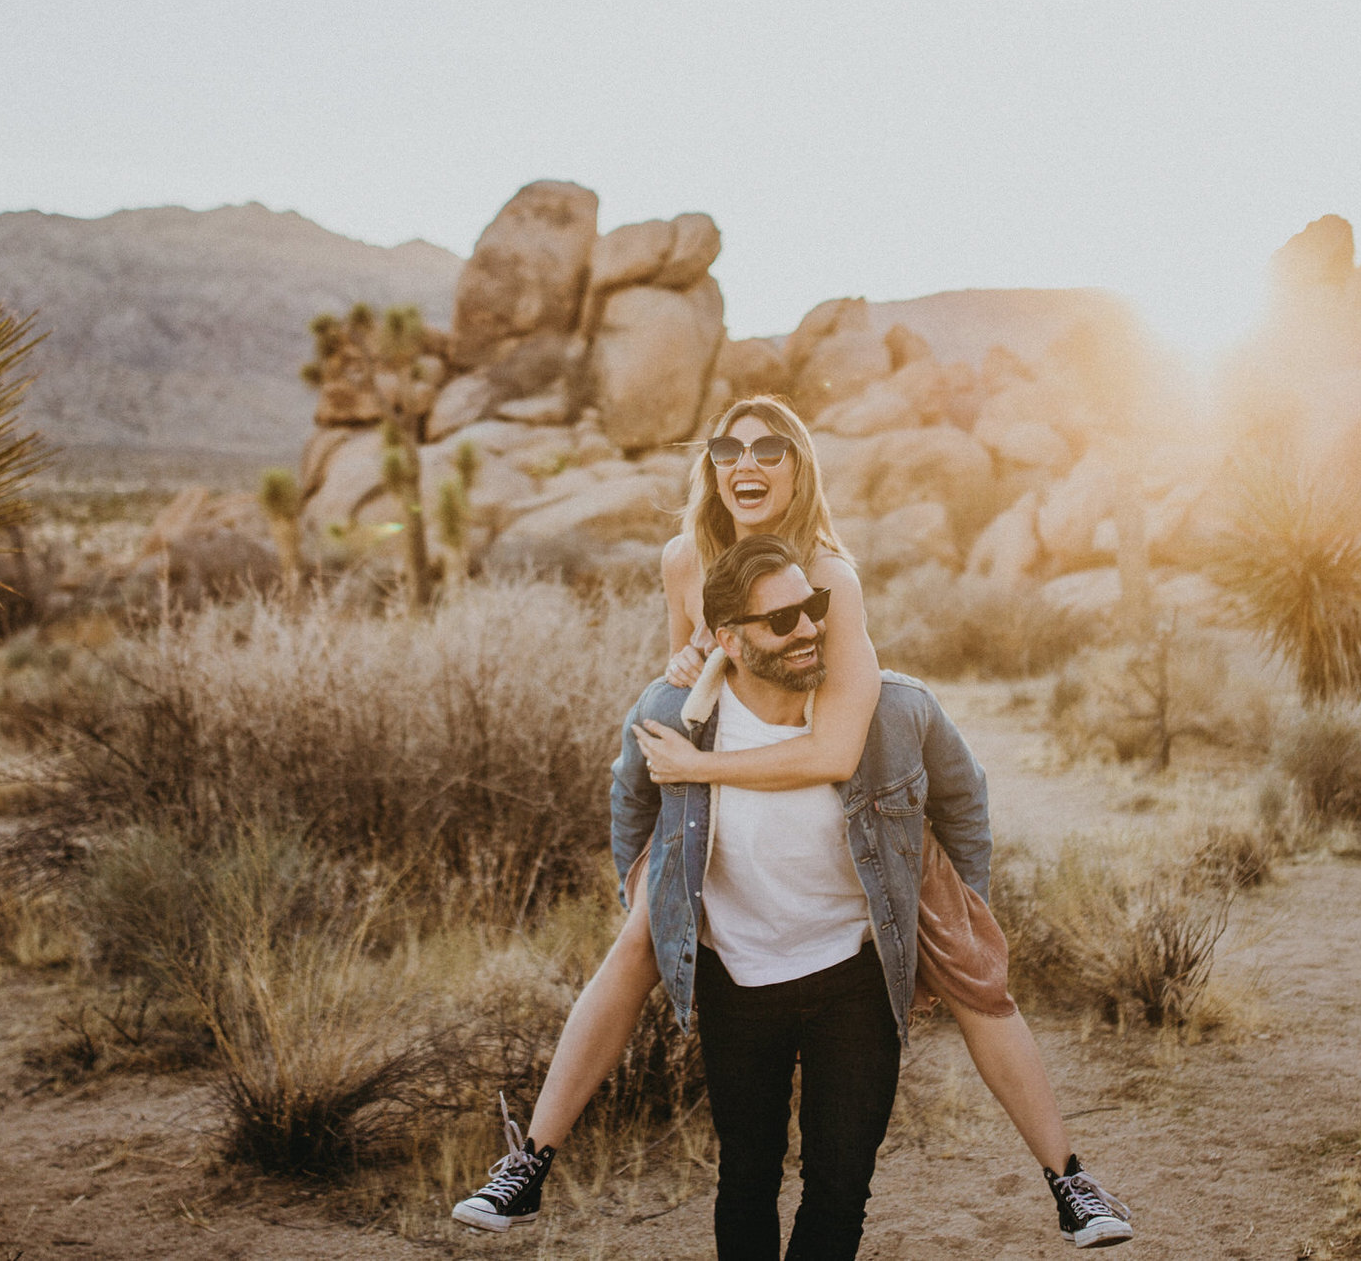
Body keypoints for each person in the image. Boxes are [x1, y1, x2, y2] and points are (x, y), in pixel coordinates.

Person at [451, 395, 1135, 1249]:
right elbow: (679, 703)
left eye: (770, 447)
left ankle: (1070, 1178)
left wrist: (702, 766)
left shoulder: (829, 576)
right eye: (728, 446)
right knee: (638, 940)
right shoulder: (683, 560)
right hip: (736, 888)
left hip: (857, 815)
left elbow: (841, 745)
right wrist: (657, 878)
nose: (747, 461)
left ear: (797, 465)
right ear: (710, 464)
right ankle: (531, 1161)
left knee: (971, 974)